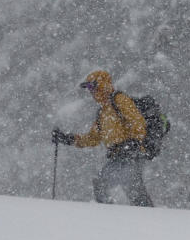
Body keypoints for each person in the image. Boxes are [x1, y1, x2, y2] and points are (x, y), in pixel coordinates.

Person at [52, 70, 153, 207]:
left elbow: (138, 122)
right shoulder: (103, 112)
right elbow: (93, 138)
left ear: (102, 85)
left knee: (127, 188)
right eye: (88, 88)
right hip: (117, 156)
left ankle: (144, 218)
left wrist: (133, 142)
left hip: (131, 155)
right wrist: (68, 139)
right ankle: (113, 217)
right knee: (105, 184)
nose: (91, 92)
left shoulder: (119, 99)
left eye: (92, 87)